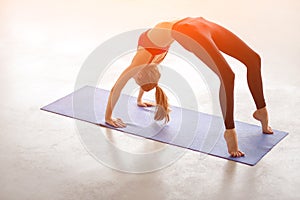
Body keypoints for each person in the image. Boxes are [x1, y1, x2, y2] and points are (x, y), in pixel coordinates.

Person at [105, 17, 273, 157]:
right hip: (198, 24)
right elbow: (145, 75)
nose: (133, 77)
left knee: (235, 71)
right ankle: (260, 115)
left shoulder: (142, 60)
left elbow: (118, 86)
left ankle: (230, 132)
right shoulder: (152, 60)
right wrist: (140, 99)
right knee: (251, 61)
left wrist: (108, 117)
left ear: (140, 74)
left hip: (191, 30)